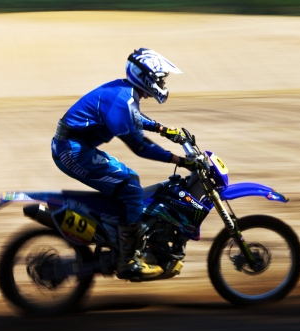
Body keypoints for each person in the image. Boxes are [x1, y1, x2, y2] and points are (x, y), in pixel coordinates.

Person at [51, 48, 193, 279]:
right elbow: (139, 146)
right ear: (146, 77)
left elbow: (135, 116)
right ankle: (127, 260)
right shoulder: (121, 99)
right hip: (72, 152)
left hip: (78, 147)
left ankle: (120, 235)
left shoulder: (126, 92)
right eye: (160, 78)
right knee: (131, 188)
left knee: (129, 182)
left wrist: (163, 129)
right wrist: (180, 160)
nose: (163, 83)